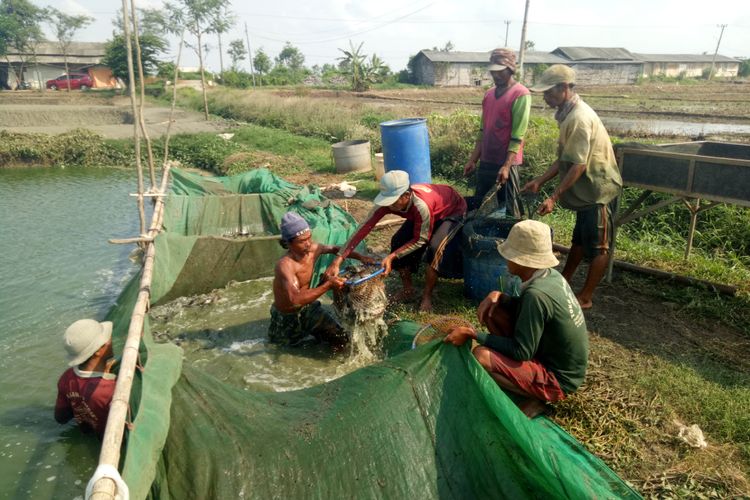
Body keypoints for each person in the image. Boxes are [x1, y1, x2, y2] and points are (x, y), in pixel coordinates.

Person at [444, 220, 588, 418]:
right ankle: (520, 374)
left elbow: (521, 351)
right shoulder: (550, 276)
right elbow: (530, 311)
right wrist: (500, 296)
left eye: (509, 256)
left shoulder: (536, 296)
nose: (506, 260)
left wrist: (474, 334)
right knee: (495, 310)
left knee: (481, 356)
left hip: (558, 380)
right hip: (549, 352)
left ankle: (536, 397)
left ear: (522, 260)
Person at [522, 64, 623, 309]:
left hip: (597, 190)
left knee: (599, 247)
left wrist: (554, 197)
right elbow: (565, 159)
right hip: (584, 190)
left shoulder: (579, 118)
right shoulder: (567, 113)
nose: (546, 97)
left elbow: (577, 165)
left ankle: (586, 297)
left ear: (565, 88)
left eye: (549, 92)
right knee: (578, 240)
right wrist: (539, 181)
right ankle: (564, 280)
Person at [325, 170, 467, 313]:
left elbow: (420, 239)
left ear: (406, 196)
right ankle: (408, 290)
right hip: (427, 215)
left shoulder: (421, 206)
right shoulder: (388, 203)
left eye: (392, 201)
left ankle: (427, 296)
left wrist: (391, 256)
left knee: (435, 248)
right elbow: (363, 228)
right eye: (386, 201)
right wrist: (338, 260)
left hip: (451, 211)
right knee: (397, 241)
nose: (389, 205)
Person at [270, 211, 373, 347]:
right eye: (302, 241)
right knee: (285, 350)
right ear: (288, 243)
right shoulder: (285, 266)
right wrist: (328, 284)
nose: (308, 244)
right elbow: (295, 299)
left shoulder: (314, 249)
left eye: (309, 238)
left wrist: (361, 257)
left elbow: (336, 249)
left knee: (341, 340)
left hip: (308, 308)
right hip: (287, 317)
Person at [464, 48, 531, 217]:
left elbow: (518, 136)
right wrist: (473, 159)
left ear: (510, 69)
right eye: (493, 72)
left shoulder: (521, 94)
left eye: (500, 72)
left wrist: (506, 166)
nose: (496, 76)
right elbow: (482, 130)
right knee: (480, 205)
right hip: (487, 159)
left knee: (507, 210)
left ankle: (508, 241)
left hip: (506, 163)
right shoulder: (489, 95)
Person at [55, 319, 118, 438]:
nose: (111, 340)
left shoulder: (66, 378)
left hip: (90, 433)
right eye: (107, 338)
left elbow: (61, 418)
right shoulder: (111, 390)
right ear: (98, 351)